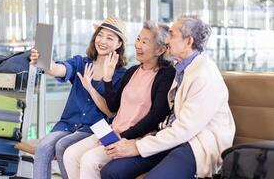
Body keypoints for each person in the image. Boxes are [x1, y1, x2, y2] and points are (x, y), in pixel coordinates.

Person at [100, 15, 236, 179]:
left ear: (188, 41)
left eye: (172, 35)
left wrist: (137, 146)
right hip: (171, 137)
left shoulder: (204, 75)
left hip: (195, 143)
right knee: (111, 172)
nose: (166, 41)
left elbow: (185, 129)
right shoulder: (181, 69)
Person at [63, 20, 176, 179]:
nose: (138, 45)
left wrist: (124, 136)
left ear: (161, 49)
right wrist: (108, 80)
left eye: (145, 41)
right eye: (138, 39)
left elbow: (156, 115)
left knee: (89, 160)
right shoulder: (132, 71)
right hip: (112, 131)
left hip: (135, 137)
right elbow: (113, 106)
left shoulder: (167, 75)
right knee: (70, 154)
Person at [30, 16, 128, 179]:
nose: (102, 41)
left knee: (62, 146)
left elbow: (111, 112)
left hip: (96, 129)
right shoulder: (81, 63)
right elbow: (59, 69)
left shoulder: (121, 75)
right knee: (43, 146)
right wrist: (43, 60)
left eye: (109, 38)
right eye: (100, 35)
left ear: (119, 44)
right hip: (69, 124)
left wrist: (90, 87)